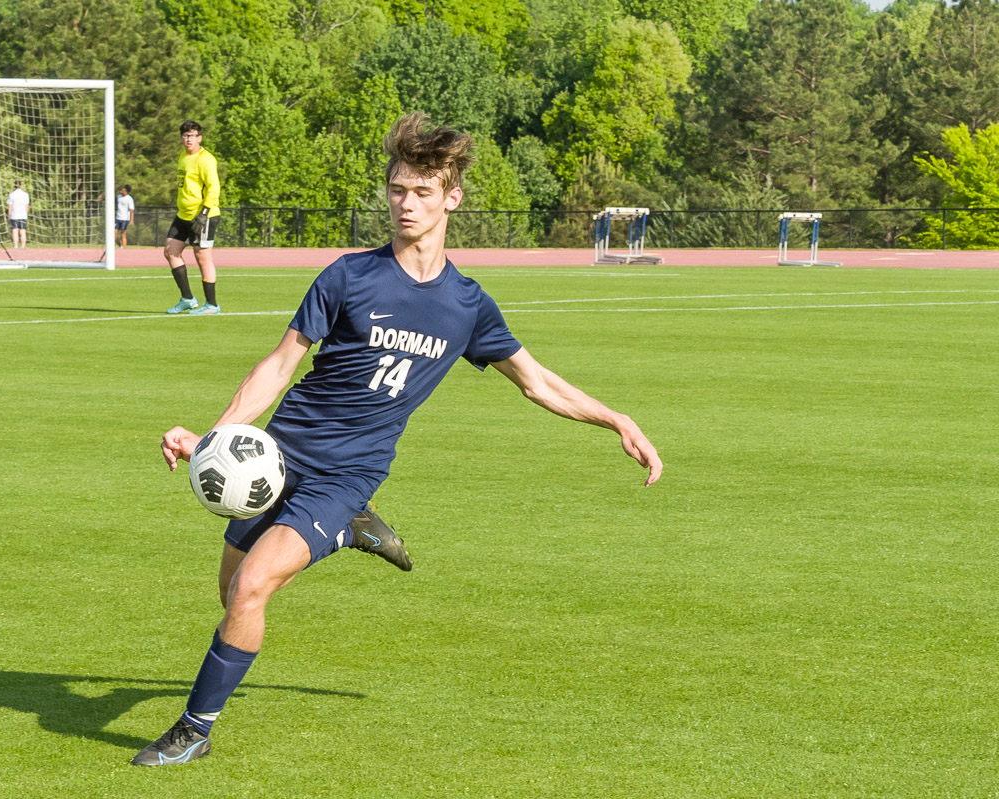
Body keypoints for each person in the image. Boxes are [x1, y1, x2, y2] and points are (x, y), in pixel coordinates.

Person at [133, 112, 663, 767]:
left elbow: (535, 382)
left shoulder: (467, 305)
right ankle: (351, 530)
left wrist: (617, 419)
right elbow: (277, 365)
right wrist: (214, 437)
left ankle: (194, 729)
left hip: (344, 476)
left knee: (251, 592)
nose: (406, 203)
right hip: (276, 456)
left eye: (421, 191)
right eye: (397, 190)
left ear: (452, 197)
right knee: (229, 591)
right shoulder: (348, 276)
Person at [164, 121, 222, 315]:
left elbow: (214, 188)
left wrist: (204, 213)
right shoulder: (182, 157)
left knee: (202, 257)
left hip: (203, 215)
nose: (188, 139)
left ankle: (212, 304)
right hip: (183, 215)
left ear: (200, 138)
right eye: (185, 135)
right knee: (171, 251)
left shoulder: (205, 159)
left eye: (192, 135)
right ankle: (187, 298)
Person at [7, 181, 30, 249]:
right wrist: (26, 214)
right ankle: (23, 246)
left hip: (14, 215)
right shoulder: (25, 194)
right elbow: (27, 206)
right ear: (21, 186)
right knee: (23, 231)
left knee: (15, 231)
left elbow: (10, 206)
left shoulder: (12, 194)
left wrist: (9, 215)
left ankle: (16, 246)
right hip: (23, 215)